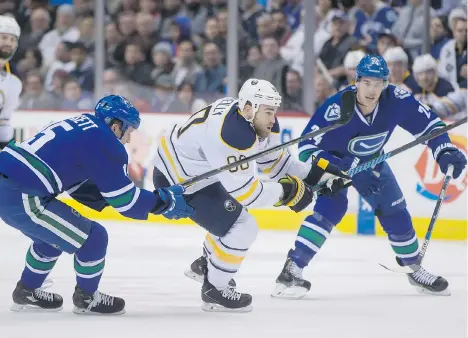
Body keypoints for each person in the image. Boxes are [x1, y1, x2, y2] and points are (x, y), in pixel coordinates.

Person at [271, 55, 467, 299]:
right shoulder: (336, 107)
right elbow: (307, 148)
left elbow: (429, 125)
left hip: (372, 161)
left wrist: (444, 150)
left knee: (394, 207)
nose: (372, 90)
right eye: (367, 83)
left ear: (385, 83)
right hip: (334, 164)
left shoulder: (396, 99)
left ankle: (413, 268)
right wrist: (342, 169)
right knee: (332, 207)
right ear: (357, 81)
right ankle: (292, 269)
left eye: (378, 83)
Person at [152, 78, 348, 312]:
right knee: (243, 226)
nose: (273, 119)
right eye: (268, 112)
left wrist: (315, 175)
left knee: (233, 220)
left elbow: (275, 163)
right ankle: (215, 289)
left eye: (274, 111)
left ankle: (207, 265)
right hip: (179, 180)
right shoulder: (232, 134)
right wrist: (289, 192)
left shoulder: (253, 120)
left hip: (199, 171)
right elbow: (247, 193)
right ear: (248, 108)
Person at [0, 95, 194, 315]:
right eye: (129, 131)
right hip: (23, 194)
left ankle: (27, 291)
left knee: (50, 238)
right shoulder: (105, 142)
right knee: (94, 238)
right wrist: (163, 202)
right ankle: (87, 298)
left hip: (11, 185)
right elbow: (126, 202)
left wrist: (110, 198)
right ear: (116, 125)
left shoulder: (82, 123)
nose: (128, 139)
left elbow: (75, 182)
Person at [0, 16, 22, 150]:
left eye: (13, 39)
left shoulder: (14, 81)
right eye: (4, 38)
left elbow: (3, 125)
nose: (9, 43)